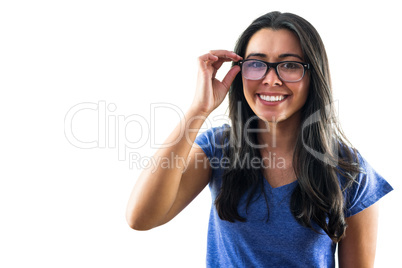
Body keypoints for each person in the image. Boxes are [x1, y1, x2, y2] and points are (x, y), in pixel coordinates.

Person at [126, 11, 393, 267]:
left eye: (289, 65)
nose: (271, 79)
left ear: (314, 75)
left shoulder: (351, 171)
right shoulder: (218, 148)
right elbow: (141, 218)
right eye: (256, 64)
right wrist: (199, 109)